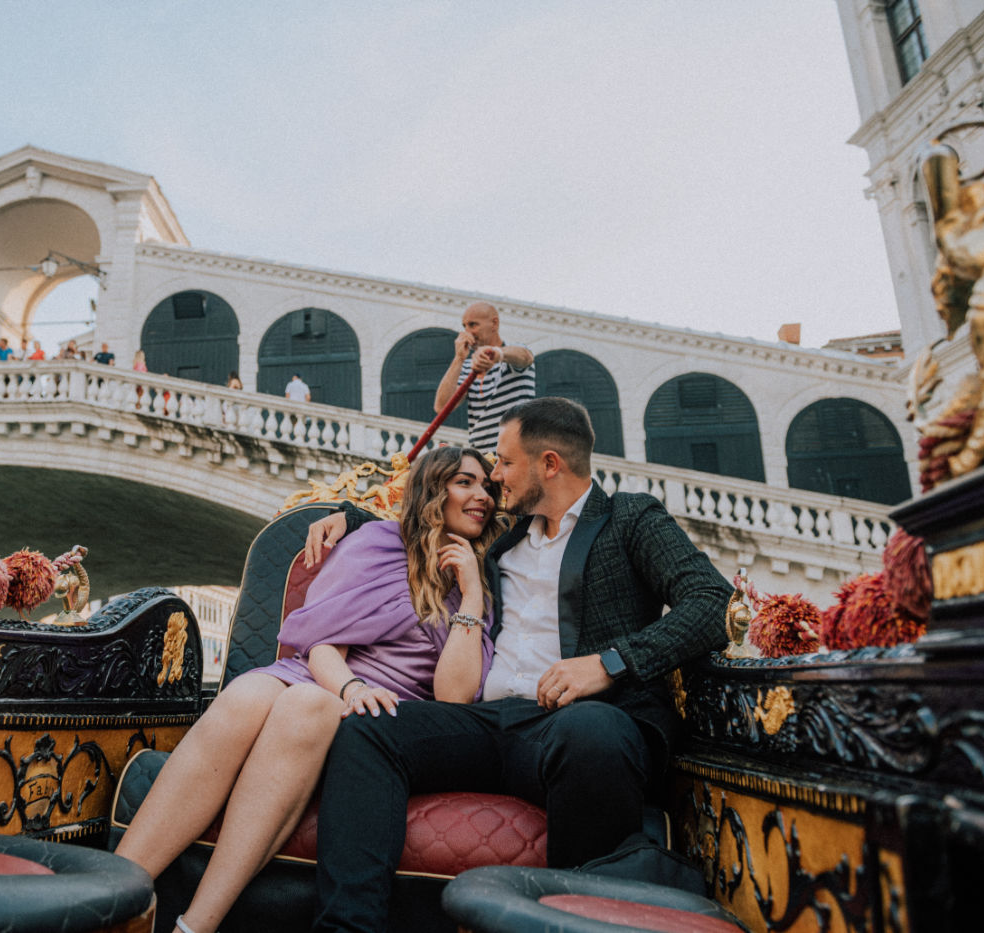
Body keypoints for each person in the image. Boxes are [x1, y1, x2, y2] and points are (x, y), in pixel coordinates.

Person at [304, 397, 731, 932]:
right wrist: (346, 516)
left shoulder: (630, 518)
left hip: (577, 724)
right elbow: (427, 514)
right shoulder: (503, 537)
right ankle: (347, 927)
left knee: (591, 728)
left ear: (549, 463)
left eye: (504, 463)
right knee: (369, 730)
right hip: (487, 722)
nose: (493, 477)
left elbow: (712, 602)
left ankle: (568, 921)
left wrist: (609, 664)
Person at [116, 446, 505, 933]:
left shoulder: (483, 580)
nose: (482, 495)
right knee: (245, 695)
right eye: (465, 482)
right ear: (432, 489)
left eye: (488, 486)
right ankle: (113, 897)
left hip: (387, 716)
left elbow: (453, 697)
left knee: (304, 705)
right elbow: (322, 644)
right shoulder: (377, 543)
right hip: (330, 675)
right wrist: (351, 687)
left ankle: (196, 925)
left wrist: (468, 592)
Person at [435, 301, 536, 452]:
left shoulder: (512, 355)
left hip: (516, 453)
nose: (468, 333)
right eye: (465, 326)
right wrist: (459, 359)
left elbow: (525, 357)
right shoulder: (468, 367)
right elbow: (441, 407)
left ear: (494, 323)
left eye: (473, 325)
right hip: (483, 458)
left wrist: (497, 354)